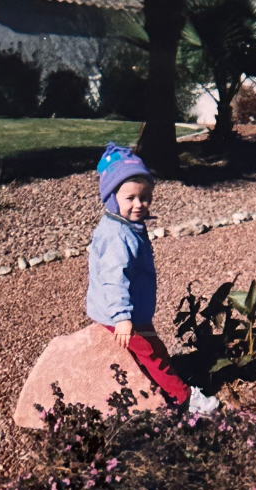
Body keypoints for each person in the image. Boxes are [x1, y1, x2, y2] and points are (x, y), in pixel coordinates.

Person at [86, 142, 219, 414]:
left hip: (133, 311)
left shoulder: (126, 226)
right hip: (121, 315)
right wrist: (122, 318)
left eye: (144, 197)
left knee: (154, 350)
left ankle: (162, 388)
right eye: (130, 198)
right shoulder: (116, 236)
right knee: (152, 354)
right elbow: (113, 279)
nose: (139, 204)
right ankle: (182, 397)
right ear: (112, 197)